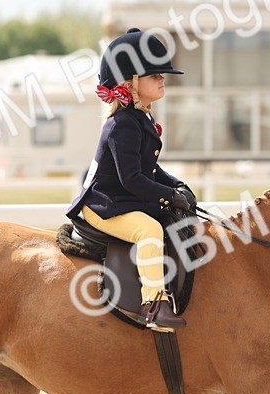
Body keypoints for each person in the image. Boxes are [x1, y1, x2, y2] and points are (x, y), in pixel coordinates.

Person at [67, 28, 197, 331]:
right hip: (103, 206)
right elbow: (132, 179)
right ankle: (153, 304)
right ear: (131, 83)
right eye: (154, 76)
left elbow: (151, 170)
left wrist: (177, 187)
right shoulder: (123, 123)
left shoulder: (140, 119)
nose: (162, 79)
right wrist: (167, 196)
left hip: (123, 199)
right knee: (150, 230)